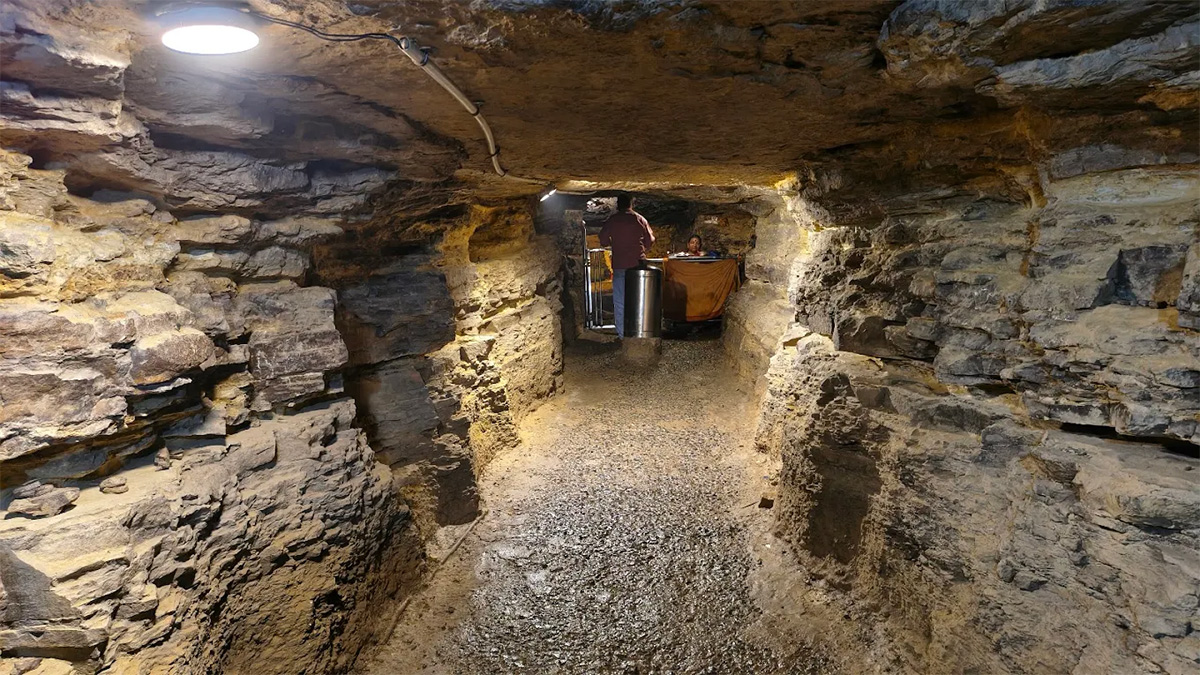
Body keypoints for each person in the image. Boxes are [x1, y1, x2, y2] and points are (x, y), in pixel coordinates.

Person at [598, 193, 654, 337]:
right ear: (631, 203)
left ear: (617, 205)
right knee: (640, 299)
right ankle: (640, 332)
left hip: (620, 265)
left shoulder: (613, 220)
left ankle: (623, 335)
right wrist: (642, 249)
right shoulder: (639, 219)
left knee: (620, 301)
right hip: (638, 265)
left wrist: (614, 244)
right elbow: (650, 240)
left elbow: (603, 240)